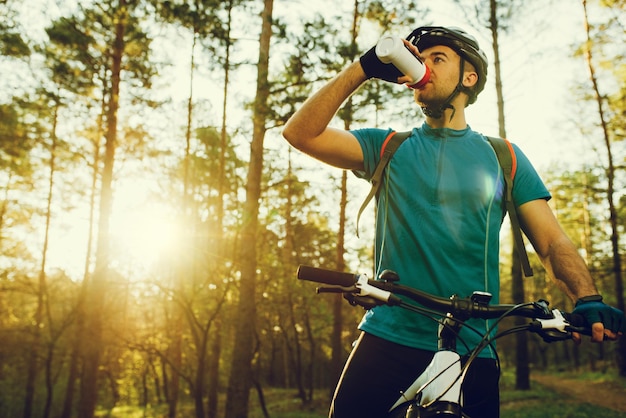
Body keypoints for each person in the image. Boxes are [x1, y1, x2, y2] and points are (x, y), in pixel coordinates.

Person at [282, 26, 624, 418]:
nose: (421, 67)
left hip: (472, 345)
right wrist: (363, 68)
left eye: (436, 59)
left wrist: (588, 297)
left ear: (469, 77)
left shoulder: (504, 157)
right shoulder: (388, 146)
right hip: (387, 335)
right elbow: (299, 133)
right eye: (418, 59)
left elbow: (550, 243)